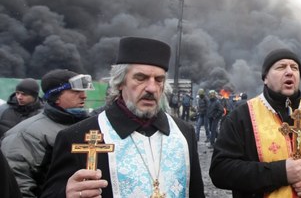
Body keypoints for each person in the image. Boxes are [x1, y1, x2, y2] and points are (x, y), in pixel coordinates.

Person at [40, 36, 204, 197]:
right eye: (141, 78)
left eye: (159, 80)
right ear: (120, 82)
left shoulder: (183, 133)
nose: (152, 88)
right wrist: (66, 194)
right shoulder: (78, 136)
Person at [210, 48, 301, 198]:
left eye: (295, 68)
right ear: (265, 78)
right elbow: (220, 170)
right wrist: (279, 172)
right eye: (281, 67)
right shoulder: (241, 117)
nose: (289, 72)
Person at [1, 69, 92, 197]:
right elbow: (18, 186)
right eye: (76, 91)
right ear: (56, 97)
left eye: (84, 91)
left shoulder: (92, 126)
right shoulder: (25, 134)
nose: (84, 96)